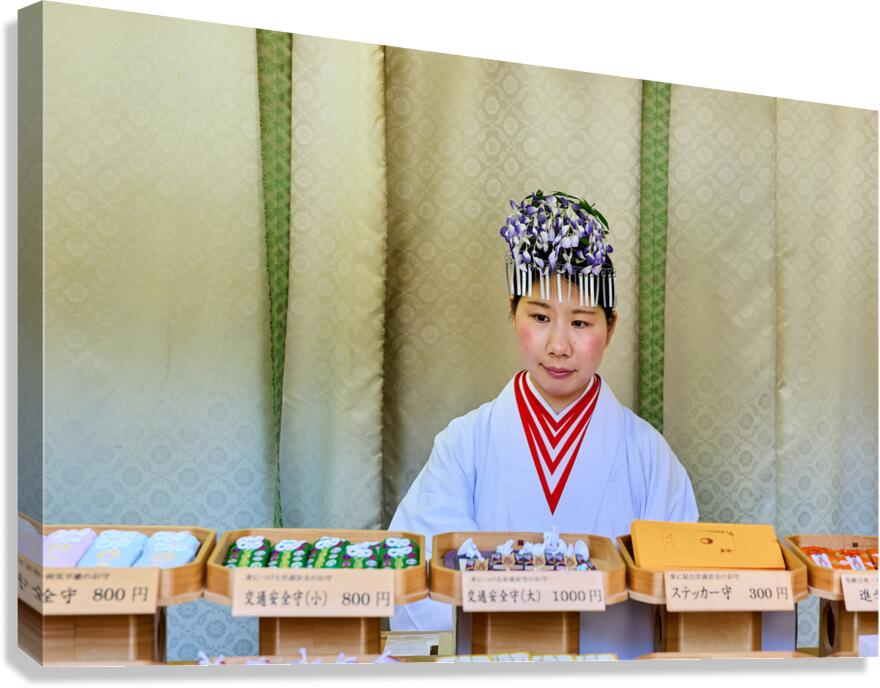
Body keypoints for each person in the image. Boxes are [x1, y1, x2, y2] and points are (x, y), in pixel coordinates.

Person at [388, 190, 699, 640]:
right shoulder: (464, 444)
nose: (558, 346)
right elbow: (422, 582)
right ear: (511, 312)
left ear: (611, 327)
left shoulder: (648, 454)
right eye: (539, 316)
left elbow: (679, 593)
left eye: (580, 322)